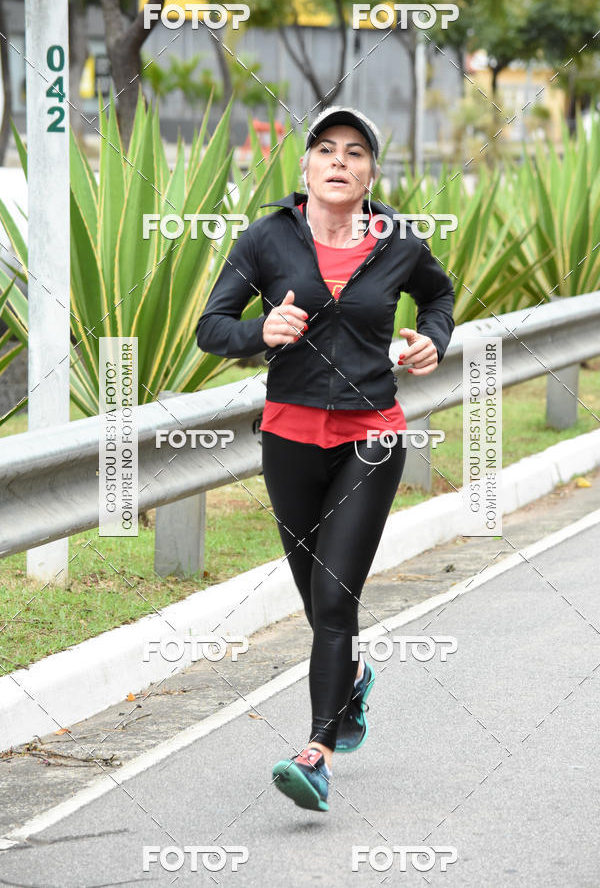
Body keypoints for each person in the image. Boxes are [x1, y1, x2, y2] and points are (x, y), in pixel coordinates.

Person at [195, 106, 455, 813]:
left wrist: (433, 337)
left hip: (372, 434)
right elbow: (210, 328)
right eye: (326, 150)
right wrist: (262, 329)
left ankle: (316, 752)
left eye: (356, 152)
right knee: (317, 600)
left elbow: (438, 295)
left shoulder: (398, 240)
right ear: (305, 168)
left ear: (371, 173)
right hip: (288, 436)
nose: (340, 161)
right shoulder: (268, 238)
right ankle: (356, 672)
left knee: (337, 597)